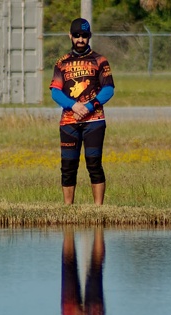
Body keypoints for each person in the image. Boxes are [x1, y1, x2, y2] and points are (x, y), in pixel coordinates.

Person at [49, 18, 115, 205]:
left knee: (94, 164)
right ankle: (68, 208)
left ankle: (98, 209)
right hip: (69, 122)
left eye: (84, 36)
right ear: (70, 36)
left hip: (94, 121)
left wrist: (87, 107)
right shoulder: (61, 63)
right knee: (68, 166)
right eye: (76, 35)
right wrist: (73, 106)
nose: (80, 39)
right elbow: (55, 92)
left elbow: (108, 89)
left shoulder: (100, 60)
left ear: (89, 37)